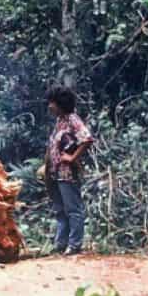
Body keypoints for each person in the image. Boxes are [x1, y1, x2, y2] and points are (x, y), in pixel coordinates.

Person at [44, 86, 94, 255]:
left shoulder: (73, 119)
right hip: (55, 172)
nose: (50, 106)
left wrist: (73, 158)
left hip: (67, 172)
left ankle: (74, 244)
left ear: (60, 103)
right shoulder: (60, 121)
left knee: (73, 208)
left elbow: (86, 138)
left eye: (52, 103)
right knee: (60, 209)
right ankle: (61, 243)